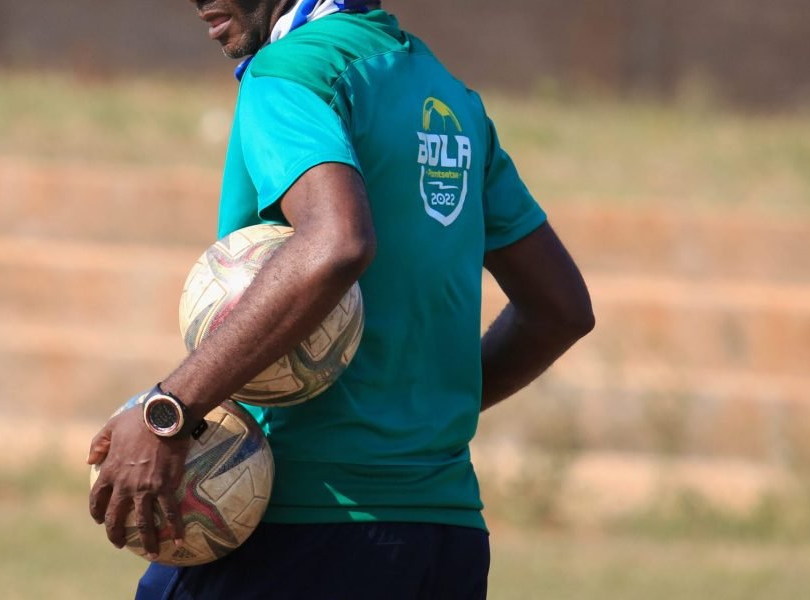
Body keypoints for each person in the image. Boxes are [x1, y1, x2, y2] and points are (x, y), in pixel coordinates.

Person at [87, 1, 595, 597]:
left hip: (303, 529)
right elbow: (560, 309)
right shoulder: (449, 97)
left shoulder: (289, 73)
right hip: (443, 537)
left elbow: (335, 242)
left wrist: (170, 411)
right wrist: (410, 422)